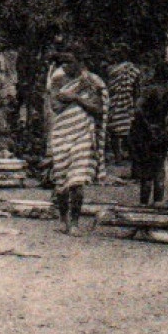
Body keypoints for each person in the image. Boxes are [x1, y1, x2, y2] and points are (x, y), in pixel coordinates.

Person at [48, 51, 107, 235]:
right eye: (63, 62)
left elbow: (98, 110)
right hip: (61, 134)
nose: (65, 66)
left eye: (70, 62)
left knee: (77, 180)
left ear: (80, 62)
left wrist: (75, 98)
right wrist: (75, 96)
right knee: (61, 181)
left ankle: (74, 223)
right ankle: (63, 220)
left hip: (82, 134)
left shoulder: (91, 83)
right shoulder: (58, 81)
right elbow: (55, 106)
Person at [129, 67, 168, 206]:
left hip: (145, 131)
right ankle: (158, 200)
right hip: (161, 130)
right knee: (159, 166)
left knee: (145, 166)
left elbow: (137, 108)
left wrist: (147, 125)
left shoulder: (148, 90)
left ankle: (143, 202)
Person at [105, 50, 144, 162]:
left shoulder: (111, 70)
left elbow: (109, 86)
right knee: (127, 129)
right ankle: (129, 156)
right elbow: (136, 88)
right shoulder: (133, 70)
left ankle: (119, 156)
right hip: (127, 102)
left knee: (115, 131)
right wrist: (135, 100)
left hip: (114, 101)